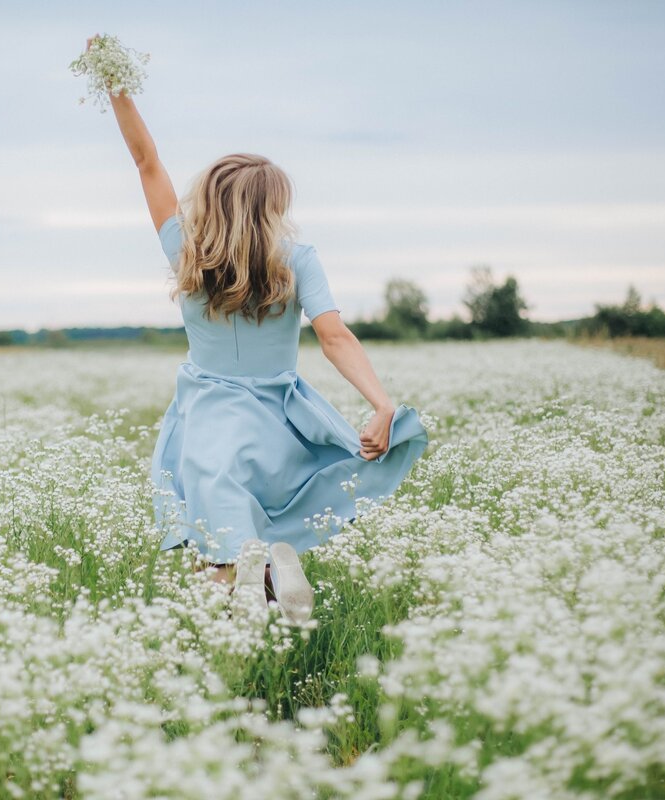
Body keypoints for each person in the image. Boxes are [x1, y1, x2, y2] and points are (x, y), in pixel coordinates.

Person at [99, 43, 429, 624]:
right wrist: (381, 405)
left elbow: (146, 162)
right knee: (277, 511)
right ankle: (275, 573)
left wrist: (115, 85)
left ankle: (237, 629)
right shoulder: (297, 258)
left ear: (211, 199)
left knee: (212, 545)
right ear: (273, 206)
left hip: (209, 419)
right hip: (280, 418)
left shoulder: (187, 253)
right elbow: (335, 337)